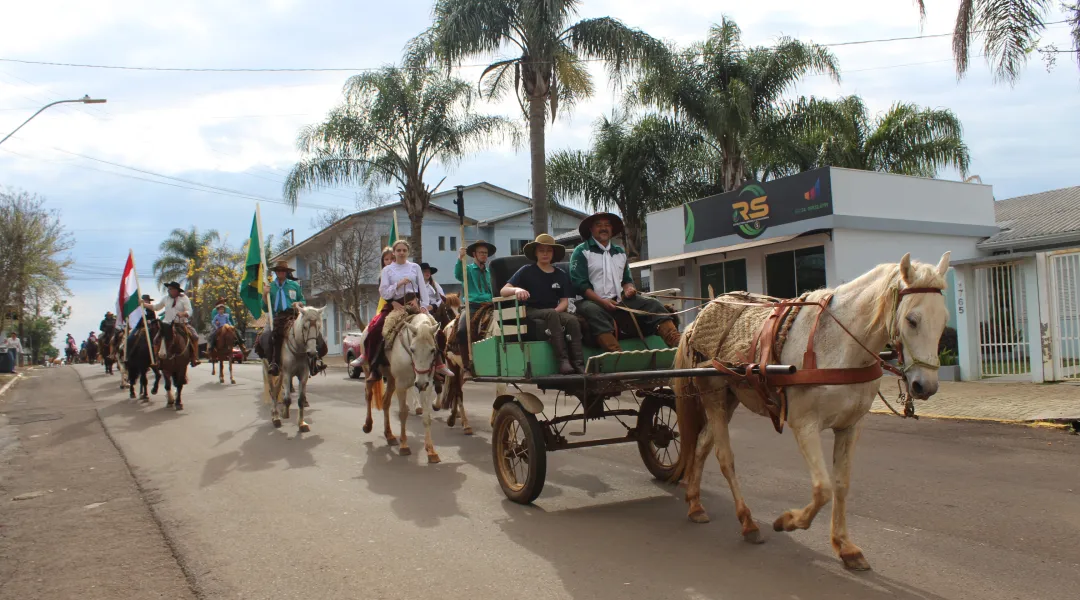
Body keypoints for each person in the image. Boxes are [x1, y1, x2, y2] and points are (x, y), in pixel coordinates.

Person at [569, 212, 681, 352]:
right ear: (591, 229)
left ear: (612, 229)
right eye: (599, 225)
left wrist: (629, 289)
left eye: (607, 225)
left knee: (653, 303)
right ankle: (616, 353)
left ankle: (678, 344)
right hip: (589, 301)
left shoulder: (619, 252)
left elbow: (627, 281)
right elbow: (580, 285)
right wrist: (602, 301)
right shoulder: (581, 251)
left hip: (618, 301)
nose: (603, 228)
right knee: (593, 311)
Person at [360, 240, 453, 380]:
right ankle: (374, 366)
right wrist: (398, 285)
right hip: (395, 305)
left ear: (408, 252)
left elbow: (422, 288)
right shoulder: (387, 270)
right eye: (399, 250)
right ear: (394, 252)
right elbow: (384, 292)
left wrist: (422, 306)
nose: (401, 253)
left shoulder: (415, 267)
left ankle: (439, 364)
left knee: (436, 331)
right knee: (376, 330)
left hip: (414, 304)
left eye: (404, 250)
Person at [501, 234, 583, 374]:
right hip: (531, 310)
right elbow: (504, 290)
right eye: (541, 250)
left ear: (553, 253)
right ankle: (562, 361)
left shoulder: (561, 274)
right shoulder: (526, 270)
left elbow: (564, 302)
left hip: (553, 311)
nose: (545, 254)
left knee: (572, 320)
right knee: (551, 314)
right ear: (535, 253)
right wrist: (517, 289)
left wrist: (556, 313)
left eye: (549, 250)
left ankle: (579, 363)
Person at [453, 240, 496, 365]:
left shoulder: (490, 273)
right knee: (462, 331)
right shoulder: (468, 269)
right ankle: (467, 365)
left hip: (490, 305)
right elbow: (458, 274)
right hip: (472, 306)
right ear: (474, 254)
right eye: (480, 252)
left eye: (485, 253)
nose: (483, 255)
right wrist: (460, 258)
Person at [349, 248, 394, 369]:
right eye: (386, 259)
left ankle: (436, 363)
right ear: (383, 261)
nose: (389, 261)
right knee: (374, 329)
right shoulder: (383, 275)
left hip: (406, 305)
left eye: (392, 259)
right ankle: (366, 356)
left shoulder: (407, 271)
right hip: (388, 305)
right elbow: (386, 293)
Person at [145, 282, 201, 367]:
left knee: (195, 336)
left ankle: (194, 358)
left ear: (176, 290)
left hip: (181, 323)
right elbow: (156, 307)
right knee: (156, 339)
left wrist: (183, 313)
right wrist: (144, 304)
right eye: (169, 289)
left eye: (171, 289)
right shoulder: (165, 299)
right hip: (167, 324)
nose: (169, 290)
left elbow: (190, 311)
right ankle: (157, 360)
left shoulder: (184, 298)